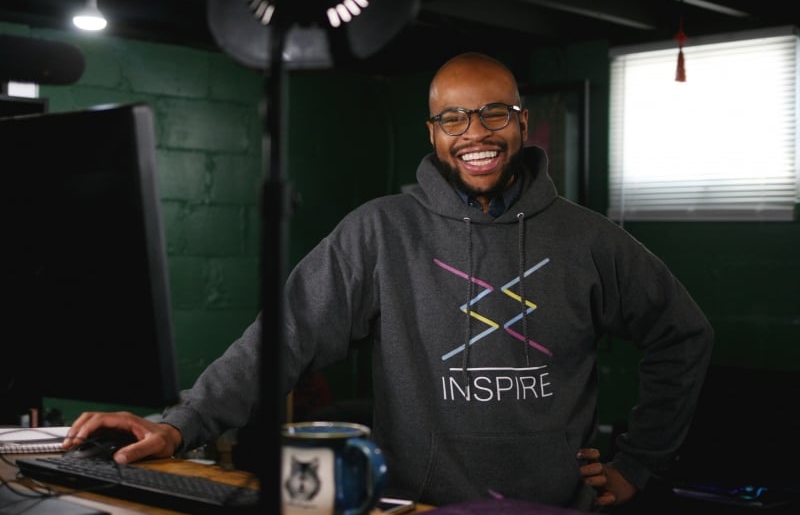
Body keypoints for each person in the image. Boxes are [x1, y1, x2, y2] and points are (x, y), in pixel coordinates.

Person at [64, 52, 714, 511]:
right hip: (415, 506)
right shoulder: (379, 230)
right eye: (453, 119)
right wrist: (180, 424)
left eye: (494, 114)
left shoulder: (588, 238)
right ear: (432, 133)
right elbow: (281, 340)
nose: (475, 134)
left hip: (551, 507)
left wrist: (636, 462)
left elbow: (683, 334)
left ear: (521, 122)